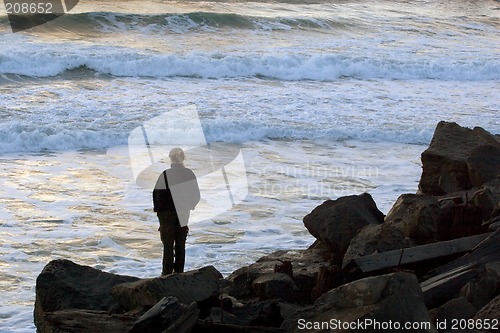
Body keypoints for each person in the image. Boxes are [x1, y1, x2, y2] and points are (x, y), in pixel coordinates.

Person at [153, 148, 200, 275]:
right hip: (183, 212)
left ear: (170, 158)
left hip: (166, 213)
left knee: (168, 245)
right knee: (180, 243)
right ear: (183, 158)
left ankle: (166, 274)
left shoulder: (165, 174)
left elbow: (157, 196)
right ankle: (179, 273)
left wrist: (160, 213)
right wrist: (190, 206)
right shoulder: (189, 174)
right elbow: (196, 195)